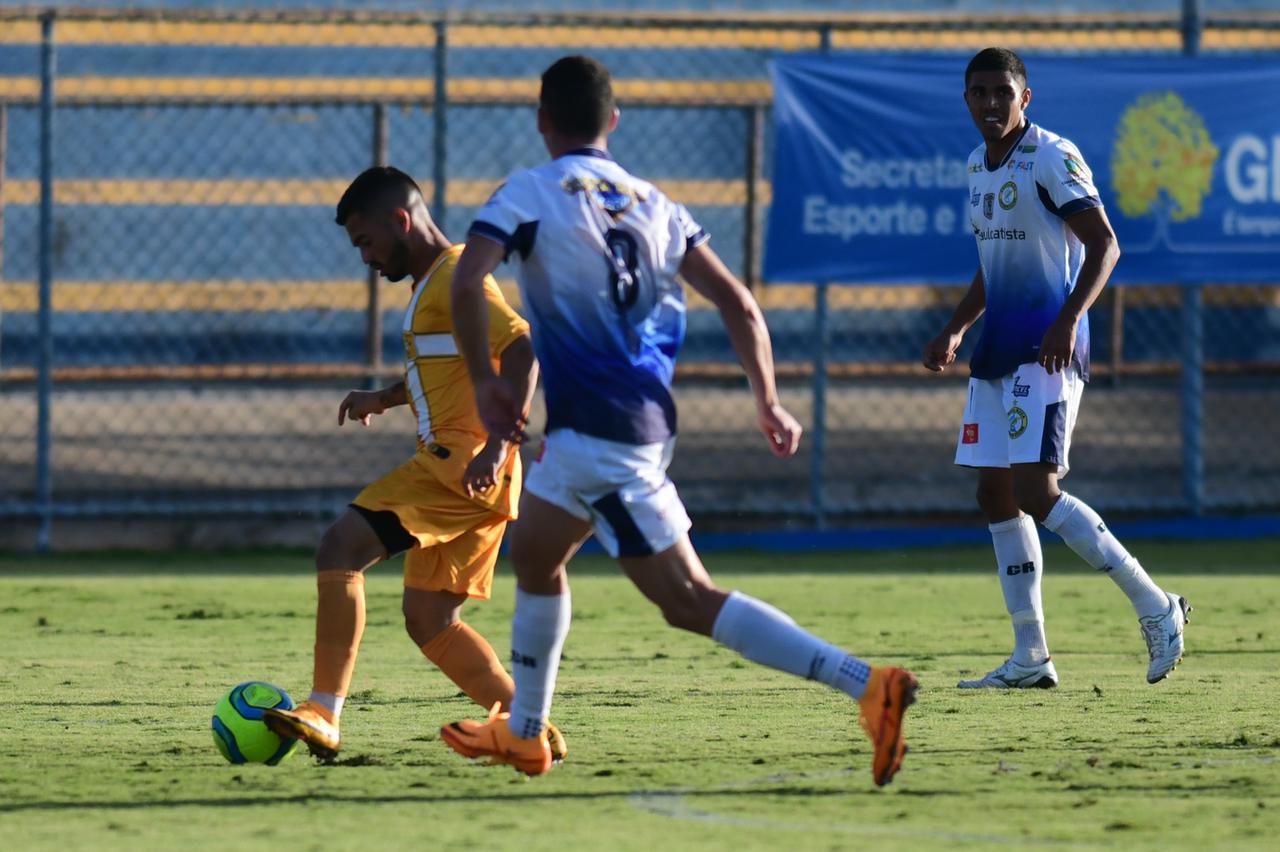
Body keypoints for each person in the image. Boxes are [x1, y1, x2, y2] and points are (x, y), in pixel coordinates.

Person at [436, 55, 917, 786]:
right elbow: (740, 304)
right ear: (615, 123)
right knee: (534, 554)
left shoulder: (527, 193)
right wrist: (768, 398)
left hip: (603, 433)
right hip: (621, 423)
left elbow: (469, 280)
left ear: (542, 120)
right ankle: (526, 734)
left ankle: (866, 684)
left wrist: (481, 379)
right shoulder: (658, 204)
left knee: (688, 601)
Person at [263, 166, 564, 762]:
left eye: (366, 241)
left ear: (400, 221)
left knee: (340, 549)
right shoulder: (438, 283)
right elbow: (447, 366)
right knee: (429, 619)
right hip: (477, 471)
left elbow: (525, 349)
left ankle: (323, 711)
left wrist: (498, 444)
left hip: (461, 465)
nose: (366, 257)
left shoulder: (458, 278)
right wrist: (386, 396)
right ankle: (531, 731)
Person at [922, 48, 1190, 689]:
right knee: (993, 493)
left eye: (1002, 93)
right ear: (967, 100)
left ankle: (1158, 607)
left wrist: (1068, 320)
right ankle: (1030, 657)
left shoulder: (1050, 155)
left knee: (1036, 493)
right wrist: (958, 325)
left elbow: (1105, 243)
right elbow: (994, 260)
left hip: (1045, 350)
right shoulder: (975, 165)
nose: (991, 104)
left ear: (1025, 97)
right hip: (996, 350)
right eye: (979, 93)